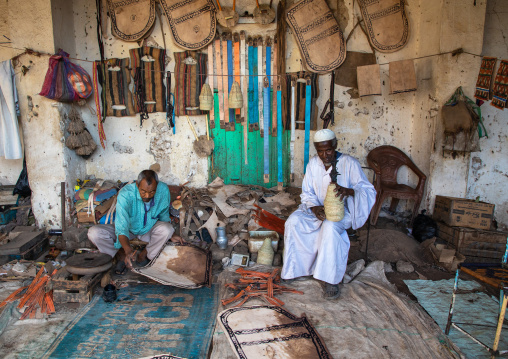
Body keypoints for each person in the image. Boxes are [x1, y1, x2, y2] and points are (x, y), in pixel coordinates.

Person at [281, 129, 376, 299]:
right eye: (320, 151)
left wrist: (349, 191)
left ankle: (331, 280)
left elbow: (367, 191)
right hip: (317, 209)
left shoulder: (349, 163)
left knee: (330, 226)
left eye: (329, 150)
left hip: (342, 212)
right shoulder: (312, 165)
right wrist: (315, 208)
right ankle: (296, 269)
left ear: (335, 145)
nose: (325, 155)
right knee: (293, 222)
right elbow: (307, 194)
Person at [88, 170, 183, 274]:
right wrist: (128, 250)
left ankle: (145, 255)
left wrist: (172, 234)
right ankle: (120, 255)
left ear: (157, 186)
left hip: (149, 228)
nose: (147, 195)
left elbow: (164, 216)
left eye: (152, 192)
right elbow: (121, 228)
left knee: (167, 229)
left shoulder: (163, 189)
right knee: (94, 232)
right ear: (137, 184)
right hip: (128, 230)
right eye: (143, 191)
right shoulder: (126, 194)